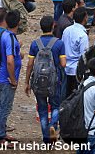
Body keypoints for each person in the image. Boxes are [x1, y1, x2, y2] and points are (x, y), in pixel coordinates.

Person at [25, 15, 67, 143]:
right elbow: (63, 63)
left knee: (42, 109)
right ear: (53, 26)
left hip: (38, 82)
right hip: (55, 81)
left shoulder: (35, 44)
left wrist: (27, 82)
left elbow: (30, 64)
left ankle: (46, 138)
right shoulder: (59, 43)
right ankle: (53, 126)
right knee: (55, 106)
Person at [0, 10, 22, 144]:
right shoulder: (10, 37)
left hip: (3, 76)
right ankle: (0, 136)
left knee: (4, 106)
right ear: (18, 23)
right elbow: (10, 60)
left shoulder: (5, 34)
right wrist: (13, 79)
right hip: (6, 78)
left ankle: (2, 132)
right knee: (4, 107)